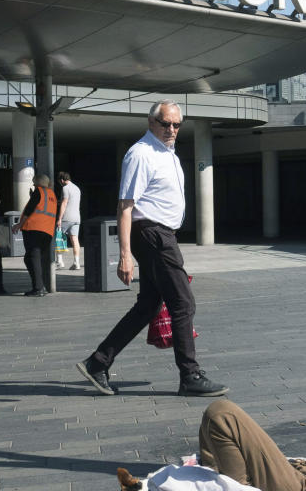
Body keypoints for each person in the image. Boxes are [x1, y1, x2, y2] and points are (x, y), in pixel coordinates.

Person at [76, 100, 228, 398]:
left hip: (161, 234)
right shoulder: (141, 153)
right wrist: (124, 256)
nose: (171, 129)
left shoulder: (166, 152)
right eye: (165, 123)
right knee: (183, 303)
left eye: (176, 124)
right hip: (153, 234)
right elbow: (124, 207)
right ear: (151, 123)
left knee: (148, 305)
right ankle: (190, 375)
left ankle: (98, 362)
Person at [13, 174, 56, 297]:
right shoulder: (52, 194)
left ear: (37, 182)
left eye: (33, 182)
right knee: (32, 258)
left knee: (33, 258)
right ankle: (40, 286)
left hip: (34, 229)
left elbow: (29, 210)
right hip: (47, 232)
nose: (33, 184)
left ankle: (38, 288)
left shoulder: (39, 192)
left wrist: (18, 225)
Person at [55, 171, 82, 270]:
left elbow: (64, 203)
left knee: (59, 238)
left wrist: (59, 219)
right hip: (76, 218)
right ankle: (77, 262)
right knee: (75, 239)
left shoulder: (65, 188)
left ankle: (60, 261)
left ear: (62, 180)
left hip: (67, 217)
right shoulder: (77, 188)